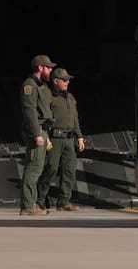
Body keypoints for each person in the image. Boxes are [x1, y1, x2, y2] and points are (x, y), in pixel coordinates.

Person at [18, 54, 56, 216]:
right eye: (48, 68)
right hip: (37, 131)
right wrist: (36, 134)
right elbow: (29, 111)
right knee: (33, 167)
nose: (50, 70)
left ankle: (32, 203)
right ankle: (27, 205)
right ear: (41, 68)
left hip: (43, 130)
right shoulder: (30, 86)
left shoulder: (41, 86)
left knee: (38, 167)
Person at [43, 67, 85, 210]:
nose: (67, 82)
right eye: (64, 80)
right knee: (51, 169)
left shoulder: (70, 97)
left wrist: (79, 136)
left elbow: (75, 119)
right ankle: (39, 199)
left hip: (68, 139)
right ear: (55, 81)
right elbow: (42, 118)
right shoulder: (48, 97)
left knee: (69, 171)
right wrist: (46, 138)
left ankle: (64, 202)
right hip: (54, 138)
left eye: (68, 80)